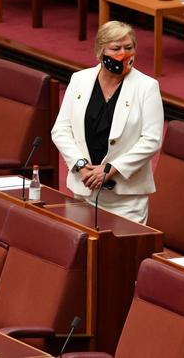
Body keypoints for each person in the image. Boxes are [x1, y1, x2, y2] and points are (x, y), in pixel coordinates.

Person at [51, 21, 163, 224]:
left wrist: (111, 169)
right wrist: (81, 166)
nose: (123, 54)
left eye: (129, 48)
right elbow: (61, 130)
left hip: (126, 200)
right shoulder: (79, 80)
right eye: (116, 48)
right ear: (100, 51)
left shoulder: (147, 87)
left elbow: (151, 140)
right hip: (83, 189)